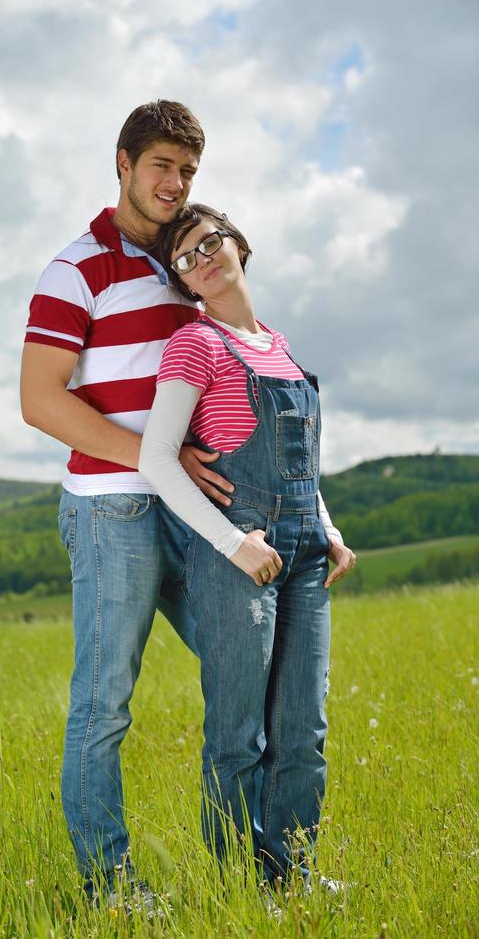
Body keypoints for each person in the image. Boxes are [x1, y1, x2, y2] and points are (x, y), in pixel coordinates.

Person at [20, 102, 237, 906]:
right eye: (161, 166)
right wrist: (159, 456)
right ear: (123, 162)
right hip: (114, 508)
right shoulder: (76, 268)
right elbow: (41, 402)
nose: (174, 184)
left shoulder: (185, 268)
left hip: (195, 510)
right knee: (105, 702)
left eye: (186, 171)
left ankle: (253, 863)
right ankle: (108, 885)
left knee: (248, 672)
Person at [139, 203, 356, 897]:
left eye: (209, 243)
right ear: (185, 283)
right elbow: (157, 459)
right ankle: (236, 886)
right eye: (186, 258)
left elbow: (303, 462)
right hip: (238, 551)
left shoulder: (281, 345)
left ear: (238, 245)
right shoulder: (195, 345)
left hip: (302, 550)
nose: (202, 258)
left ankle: (290, 878)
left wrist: (328, 527)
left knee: (303, 729)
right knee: (238, 734)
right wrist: (231, 544)